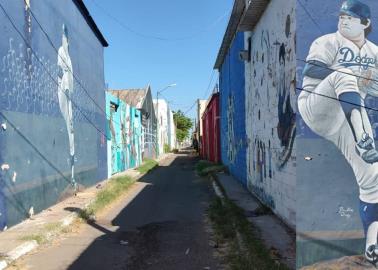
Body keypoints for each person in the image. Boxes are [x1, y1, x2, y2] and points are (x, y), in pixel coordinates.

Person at [298, 0, 378, 265]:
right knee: (344, 74)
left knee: (372, 178)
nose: (343, 20)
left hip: (347, 117)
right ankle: (364, 138)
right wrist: (357, 75)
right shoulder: (327, 41)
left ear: (365, 23)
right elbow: (311, 69)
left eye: (351, 17)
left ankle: (372, 247)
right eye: (342, 15)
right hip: (317, 105)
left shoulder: (374, 52)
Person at [57, 24, 76, 190]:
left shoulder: (69, 57)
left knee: (71, 128)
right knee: (67, 124)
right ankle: (70, 176)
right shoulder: (61, 53)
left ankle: (72, 175)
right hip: (63, 91)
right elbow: (60, 71)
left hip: (69, 96)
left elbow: (72, 80)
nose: (65, 41)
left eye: (66, 39)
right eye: (63, 38)